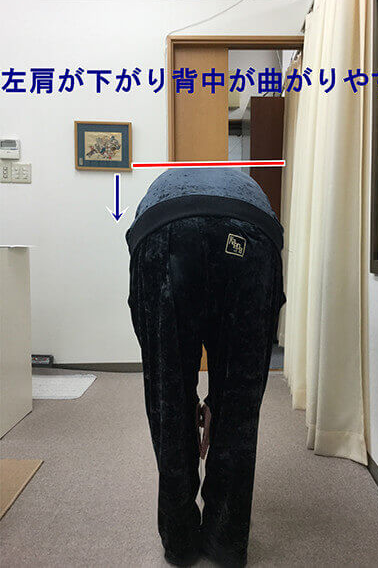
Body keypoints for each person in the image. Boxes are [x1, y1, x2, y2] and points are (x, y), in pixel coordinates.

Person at [126, 167, 285, 567]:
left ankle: (180, 541)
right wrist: (219, 401)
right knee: (239, 402)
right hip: (252, 236)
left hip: (163, 232)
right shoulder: (247, 188)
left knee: (168, 395)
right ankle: (226, 541)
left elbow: (147, 331)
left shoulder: (164, 187)